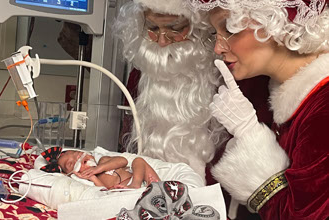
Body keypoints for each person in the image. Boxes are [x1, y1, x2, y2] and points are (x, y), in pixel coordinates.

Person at [187, 0, 329, 219]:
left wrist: (250, 135)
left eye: (230, 28)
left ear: (278, 22)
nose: (218, 47)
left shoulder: (323, 107)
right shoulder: (284, 92)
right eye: (214, 33)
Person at [114, 0, 228, 182]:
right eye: (152, 27)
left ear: (199, 27)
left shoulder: (225, 75)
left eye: (175, 28)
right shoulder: (139, 74)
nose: (161, 40)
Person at [39, 147, 160, 189]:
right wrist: (93, 177)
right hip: (123, 190)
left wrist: (100, 168)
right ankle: (153, 190)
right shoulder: (88, 181)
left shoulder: (103, 161)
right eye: (71, 164)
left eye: (77, 154)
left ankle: (155, 185)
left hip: (139, 181)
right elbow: (104, 191)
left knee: (139, 161)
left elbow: (123, 161)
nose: (77, 159)